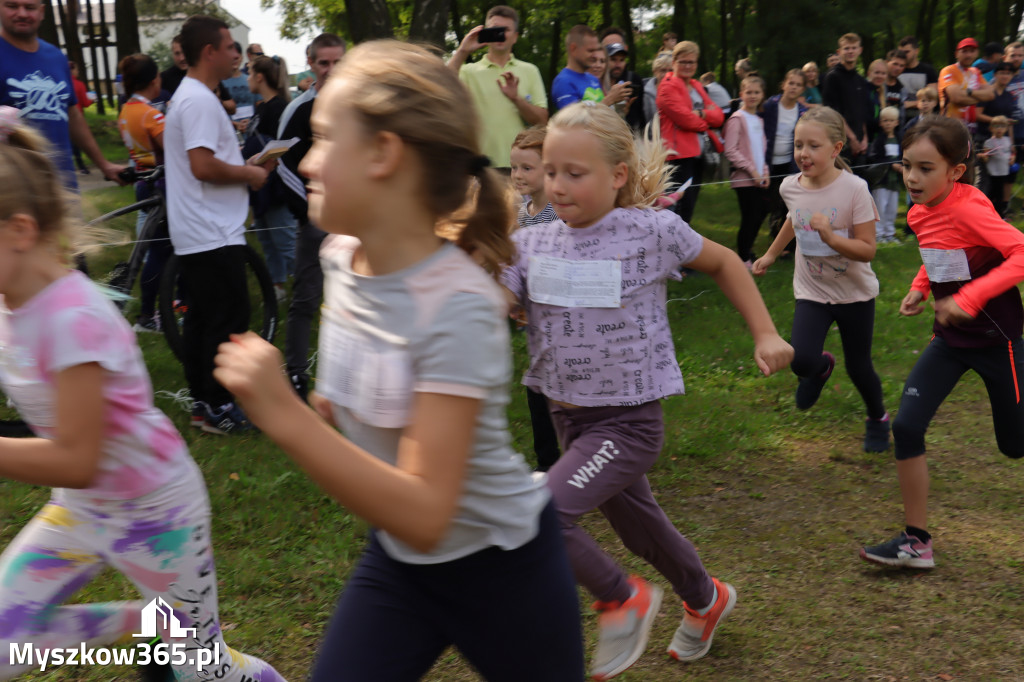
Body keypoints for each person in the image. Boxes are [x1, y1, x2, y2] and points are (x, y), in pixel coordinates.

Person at [212, 40, 585, 682]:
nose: (309, 157)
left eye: (326, 138)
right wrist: (326, 410)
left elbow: (427, 510)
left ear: (385, 153)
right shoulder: (339, 260)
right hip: (400, 564)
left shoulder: (459, 304)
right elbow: (351, 412)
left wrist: (283, 413)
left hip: (505, 573)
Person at [501, 101, 792, 680]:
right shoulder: (529, 244)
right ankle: (706, 599)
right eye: (550, 171)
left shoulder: (652, 230)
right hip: (569, 419)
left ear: (618, 176)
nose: (557, 185)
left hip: (626, 422)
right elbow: (494, 299)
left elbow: (727, 262)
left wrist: (765, 332)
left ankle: (620, 599)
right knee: (642, 530)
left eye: (574, 173)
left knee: (542, 516)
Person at [0, 108, 285, 682]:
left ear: (20, 231)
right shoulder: (9, 301)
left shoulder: (74, 319)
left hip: (158, 513)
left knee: (203, 673)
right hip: (83, 509)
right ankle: (145, 623)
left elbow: (78, 459)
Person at [860, 116, 1024, 569]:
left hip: (997, 341)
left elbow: (1021, 252)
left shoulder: (971, 207)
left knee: (1015, 445)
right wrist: (919, 286)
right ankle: (917, 542)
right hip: (950, 340)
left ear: (954, 171)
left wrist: (970, 297)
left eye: (926, 168)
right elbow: (939, 251)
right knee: (907, 427)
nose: (913, 177)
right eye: (908, 165)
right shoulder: (917, 210)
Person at [752, 106, 890, 453]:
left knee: (860, 368)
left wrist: (831, 239)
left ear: (836, 149)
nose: (803, 153)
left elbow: (867, 249)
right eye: (799, 145)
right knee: (801, 359)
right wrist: (770, 253)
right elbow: (794, 219)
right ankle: (821, 368)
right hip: (812, 289)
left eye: (814, 146)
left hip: (854, 294)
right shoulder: (790, 186)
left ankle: (877, 418)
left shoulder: (855, 190)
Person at [163, 14, 274, 434]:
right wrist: (249, 174)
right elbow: (203, 166)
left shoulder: (195, 96)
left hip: (203, 228)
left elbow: (205, 162)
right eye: (230, 47)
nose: (236, 54)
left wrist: (244, 165)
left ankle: (205, 404)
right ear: (209, 52)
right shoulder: (198, 100)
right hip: (211, 230)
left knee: (205, 319)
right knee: (226, 319)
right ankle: (216, 406)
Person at [276, 32, 345, 401]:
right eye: (324, 63)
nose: (331, 70)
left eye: (338, 62)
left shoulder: (362, 105)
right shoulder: (300, 109)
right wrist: (309, 214)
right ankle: (298, 375)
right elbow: (283, 165)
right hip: (317, 222)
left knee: (357, 299)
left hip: (359, 220)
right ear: (311, 64)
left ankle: (348, 377)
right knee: (306, 298)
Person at [0, 0, 123, 190]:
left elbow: (73, 115)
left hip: (63, 189)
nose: (22, 13)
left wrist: (104, 165)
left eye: (30, 8)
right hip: (13, 194)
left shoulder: (56, 57)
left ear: (42, 12)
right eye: (12, 6)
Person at [509, 127, 561, 473]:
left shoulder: (561, 213)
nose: (517, 175)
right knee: (537, 389)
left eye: (527, 168)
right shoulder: (522, 211)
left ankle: (576, 458)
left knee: (563, 393)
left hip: (562, 319)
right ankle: (547, 464)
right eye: (514, 168)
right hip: (535, 322)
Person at [447, 5, 548, 171]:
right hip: (479, 165)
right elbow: (440, 83)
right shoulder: (468, 71)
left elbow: (542, 121)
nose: (500, 34)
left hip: (520, 168)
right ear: (485, 34)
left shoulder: (530, 70)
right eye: (495, 29)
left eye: (506, 29)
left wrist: (516, 99)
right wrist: (462, 51)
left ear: (515, 37)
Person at [116, 53, 172, 334]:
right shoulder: (152, 114)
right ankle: (148, 316)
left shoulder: (126, 111)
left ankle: (162, 311)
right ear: (154, 80)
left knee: (160, 251)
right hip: (161, 185)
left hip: (142, 181)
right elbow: (173, 150)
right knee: (161, 254)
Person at [244, 55, 295, 301]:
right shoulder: (263, 107)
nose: (248, 78)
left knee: (285, 241)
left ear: (260, 77)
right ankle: (278, 286)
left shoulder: (279, 108)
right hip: (261, 186)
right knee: (267, 239)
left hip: (276, 185)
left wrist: (257, 160)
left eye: (250, 73)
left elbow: (283, 145)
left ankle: (309, 285)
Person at [658, 40, 725, 223]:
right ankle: (671, 246)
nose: (688, 66)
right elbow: (685, 119)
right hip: (678, 155)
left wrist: (701, 113)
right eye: (683, 61)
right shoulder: (667, 87)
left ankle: (682, 245)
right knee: (676, 206)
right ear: (674, 62)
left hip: (698, 153)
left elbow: (719, 116)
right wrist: (706, 122)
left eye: (692, 62)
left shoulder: (696, 85)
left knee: (690, 205)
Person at [724, 75, 770, 265]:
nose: (752, 96)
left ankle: (748, 250)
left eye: (756, 92)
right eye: (748, 92)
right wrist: (752, 171)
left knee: (762, 212)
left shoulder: (758, 120)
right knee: (750, 217)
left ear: (762, 95)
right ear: (741, 94)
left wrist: (765, 171)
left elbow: (762, 149)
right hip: (745, 179)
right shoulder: (737, 118)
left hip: (760, 177)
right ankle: (743, 258)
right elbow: (730, 150)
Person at [762, 69, 808, 239]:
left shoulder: (802, 112)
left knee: (788, 202)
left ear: (803, 89)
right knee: (773, 202)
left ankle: (788, 242)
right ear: (783, 84)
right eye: (791, 83)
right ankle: (775, 237)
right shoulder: (770, 105)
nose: (793, 87)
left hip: (790, 163)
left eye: (798, 85)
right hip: (769, 163)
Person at [822, 33, 874, 167]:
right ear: (839, 52)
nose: (850, 51)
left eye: (853, 48)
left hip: (860, 144)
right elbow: (833, 113)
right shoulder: (832, 77)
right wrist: (852, 138)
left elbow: (862, 112)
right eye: (846, 48)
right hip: (840, 143)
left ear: (860, 50)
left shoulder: (860, 80)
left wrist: (864, 139)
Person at [552, 25, 629, 110]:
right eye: (590, 50)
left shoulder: (593, 79)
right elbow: (575, 121)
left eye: (596, 50)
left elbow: (602, 114)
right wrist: (609, 99)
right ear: (573, 49)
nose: (595, 55)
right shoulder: (563, 82)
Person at [978, 62, 1017, 215]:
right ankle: (982, 213)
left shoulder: (1010, 96)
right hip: (986, 138)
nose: (1005, 76)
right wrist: (997, 122)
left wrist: (1012, 143)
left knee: (1001, 179)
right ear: (995, 75)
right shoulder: (987, 93)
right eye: (1001, 73)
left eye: (1008, 73)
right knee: (986, 180)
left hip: (1004, 141)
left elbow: (1010, 122)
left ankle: (1000, 212)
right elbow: (978, 114)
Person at [938, 37, 994, 135]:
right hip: (950, 128)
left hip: (970, 129)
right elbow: (957, 98)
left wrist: (969, 92)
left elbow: (991, 94)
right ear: (956, 54)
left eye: (972, 51)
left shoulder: (976, 72)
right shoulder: (949, 70)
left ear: (977, 53)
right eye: (964, 51)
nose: (968, 55)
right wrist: (981, 97)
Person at [866, 106, 903, 243]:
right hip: (881, 180)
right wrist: (891, 164)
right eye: (885, 120)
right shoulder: (879, 140)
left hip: (894, 181)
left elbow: (903, 155)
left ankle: (890, 233)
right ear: (881, 123)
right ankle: (878, 234)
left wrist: (901, 166)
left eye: (891, 120)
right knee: (880, 207)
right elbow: (875, 157)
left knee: (892, 208)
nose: (888, 123)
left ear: (896, 122)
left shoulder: (900, 139)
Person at [600, 28, 646, 131]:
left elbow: (640, 117)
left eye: (621, 59)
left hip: (629, 140)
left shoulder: (634, 79)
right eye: (613, 58)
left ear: (625, 48)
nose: (618, 63)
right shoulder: (591, 81)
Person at [979, 115, 1015, 217]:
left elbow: (1011, 153)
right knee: (991, 194)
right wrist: (983, 156)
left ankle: (999, 215)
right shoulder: (989, 142)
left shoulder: (1007, 140)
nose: (999, 129)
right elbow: (986, 158)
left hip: (1003, 172)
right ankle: (987, 213)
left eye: (1002, 126)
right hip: (993, 173)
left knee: (1000, 194)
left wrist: (1012, 158)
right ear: (991, 128)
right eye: (996, 126)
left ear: (1006, 129)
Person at [897, 36, 939, 115]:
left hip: (922, 117)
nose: (903, 55)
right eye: (901, 52)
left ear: (916, 51)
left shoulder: (928, 70)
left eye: (906, 52)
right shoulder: (896, 71)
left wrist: (906, 104)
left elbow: (932, 98)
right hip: (898, 118)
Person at [68, 61, 93, 175]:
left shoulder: (61, 82)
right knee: (79, 142)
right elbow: (85, 102)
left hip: (63, 117)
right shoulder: (79, 84)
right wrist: (92, 100)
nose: (77, 72)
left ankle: (68, 167)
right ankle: (82, 166)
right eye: (76, 69)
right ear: (72, 70)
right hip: (77, 118)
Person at [643, 53, 673, 125]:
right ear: (654, 71)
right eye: (663, 70)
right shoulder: (645, 94)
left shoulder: (682, 91)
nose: (667, 74)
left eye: (671, 70)